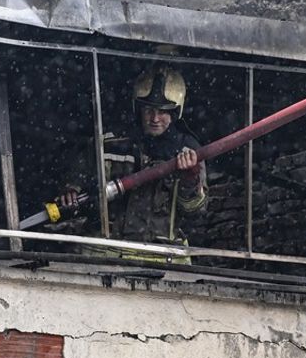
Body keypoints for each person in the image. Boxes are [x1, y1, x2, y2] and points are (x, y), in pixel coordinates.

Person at [57, 65, 207, 260]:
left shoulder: (189, 151)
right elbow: (77, 173)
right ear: (138, 108)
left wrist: (190, 181)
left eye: (163, 111)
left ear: (176, 112)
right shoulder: (109, 143)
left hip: (161, 258)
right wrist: (71, 189)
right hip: (105, 254)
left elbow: (196, 213)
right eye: (149, 110)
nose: (155, 118)